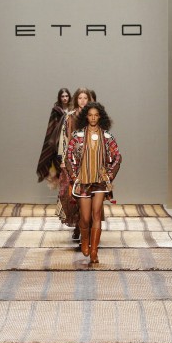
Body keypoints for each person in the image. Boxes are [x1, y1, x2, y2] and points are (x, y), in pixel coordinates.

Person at [65, 102, 121, 264]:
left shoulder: (107, 137)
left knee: (96, 214)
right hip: (83, 180)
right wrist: (74, 175)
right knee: (85, 217)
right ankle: (85, 240)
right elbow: (68, 157)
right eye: (90, 115)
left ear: (100, 117)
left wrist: (109, 175)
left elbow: (117, 156)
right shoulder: (78, 136)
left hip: (100, 181)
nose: (93, 118)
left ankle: (94, 250)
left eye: (96, 115)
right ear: (86, 117)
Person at [58, 88, 92, 239]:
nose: (83, 101)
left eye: (85, 98)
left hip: (89, 159)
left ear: (89, 100)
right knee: (71, 194)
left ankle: (85, 226)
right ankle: (78, 225)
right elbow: (64, 139)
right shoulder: (70, 117)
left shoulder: (93, 116)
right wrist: (63, 160)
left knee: (88, 193)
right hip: (72, 159)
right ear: (76, 100)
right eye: (80, 98)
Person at [36, 88, 72, 186]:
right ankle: (62, 191)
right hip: (59, 142)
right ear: (59, 98)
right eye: (62, 96)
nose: (65, 98)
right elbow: (52, 127)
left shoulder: (73, 109)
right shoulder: (56, 110)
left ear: (69, 97)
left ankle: (71, 191)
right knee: (60, 166)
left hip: (71, 140)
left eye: (66, 96)